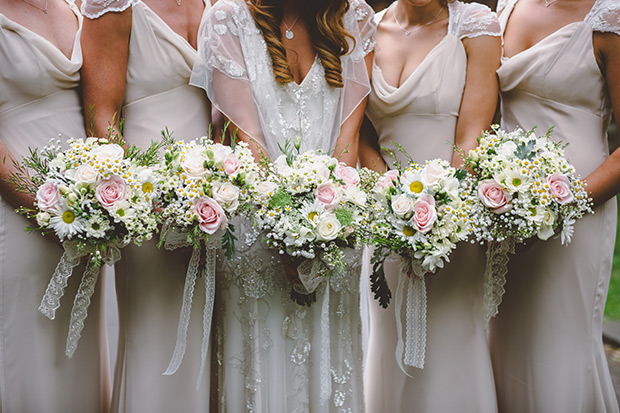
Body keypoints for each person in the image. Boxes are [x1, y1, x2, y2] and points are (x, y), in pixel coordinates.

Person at [190, 0, 375, 410]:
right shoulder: (227, 19)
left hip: (334, 224)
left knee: (330, 359)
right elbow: (246, 137)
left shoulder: (355, 18)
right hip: (256, 226)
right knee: (262, 359)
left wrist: (326, 226)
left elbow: (349, 137)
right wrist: (287, 226)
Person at [359, 0, 501, 411]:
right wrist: (391, 198)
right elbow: (361, 132)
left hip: (456, 218)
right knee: (389, 340)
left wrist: (440, 210)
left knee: (450, 339)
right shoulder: (365, 29)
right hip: (385, 219)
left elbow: (472, 133)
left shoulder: (476, 26)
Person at [80, 0, 212, 411]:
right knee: (156, 336)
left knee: (208, 339)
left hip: (214, 202)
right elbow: (101, 118)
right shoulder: (114, 5)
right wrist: (144, 198)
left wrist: (224, 181)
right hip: (147, 206)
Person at [489, 0, 620, 411]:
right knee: (500, 343)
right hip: (502, 210)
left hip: (576, 215)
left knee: (556, 348)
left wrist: (558, 208)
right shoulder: (507, 6)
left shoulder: (608, 20)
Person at [0, 1, 110, 411]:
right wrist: (45, 209)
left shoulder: (75, 3)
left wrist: (97, 202)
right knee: (28, 350)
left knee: (77, 354)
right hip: (22, 216)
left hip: (85, 217)